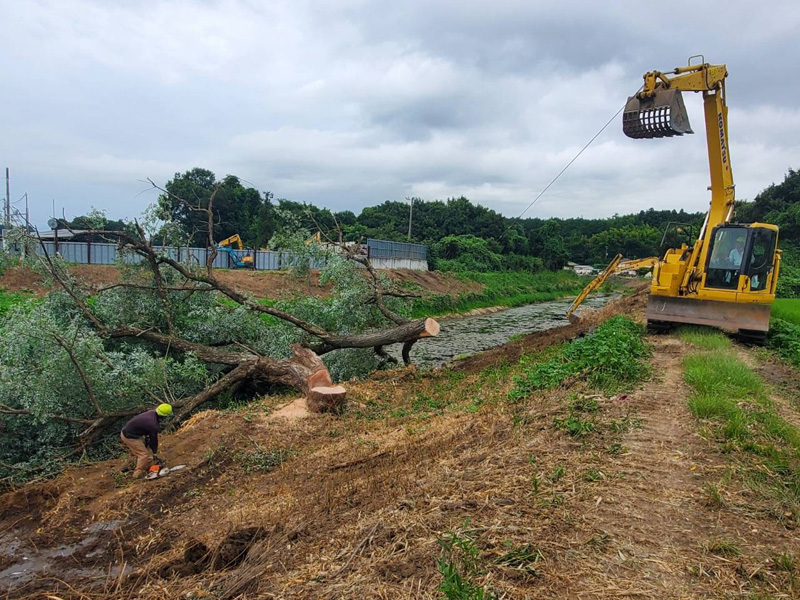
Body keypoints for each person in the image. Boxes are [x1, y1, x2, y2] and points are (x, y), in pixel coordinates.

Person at [121, 403, 173, 479]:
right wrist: (155, 452)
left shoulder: (152, 413)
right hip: (129, 436)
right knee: (144, 454)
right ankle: (136, 475)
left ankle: (149, 468)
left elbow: (148, 435)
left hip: (133, 433)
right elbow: (154, 439)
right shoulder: (152, 424)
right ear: (164, 416)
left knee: (147, 454)